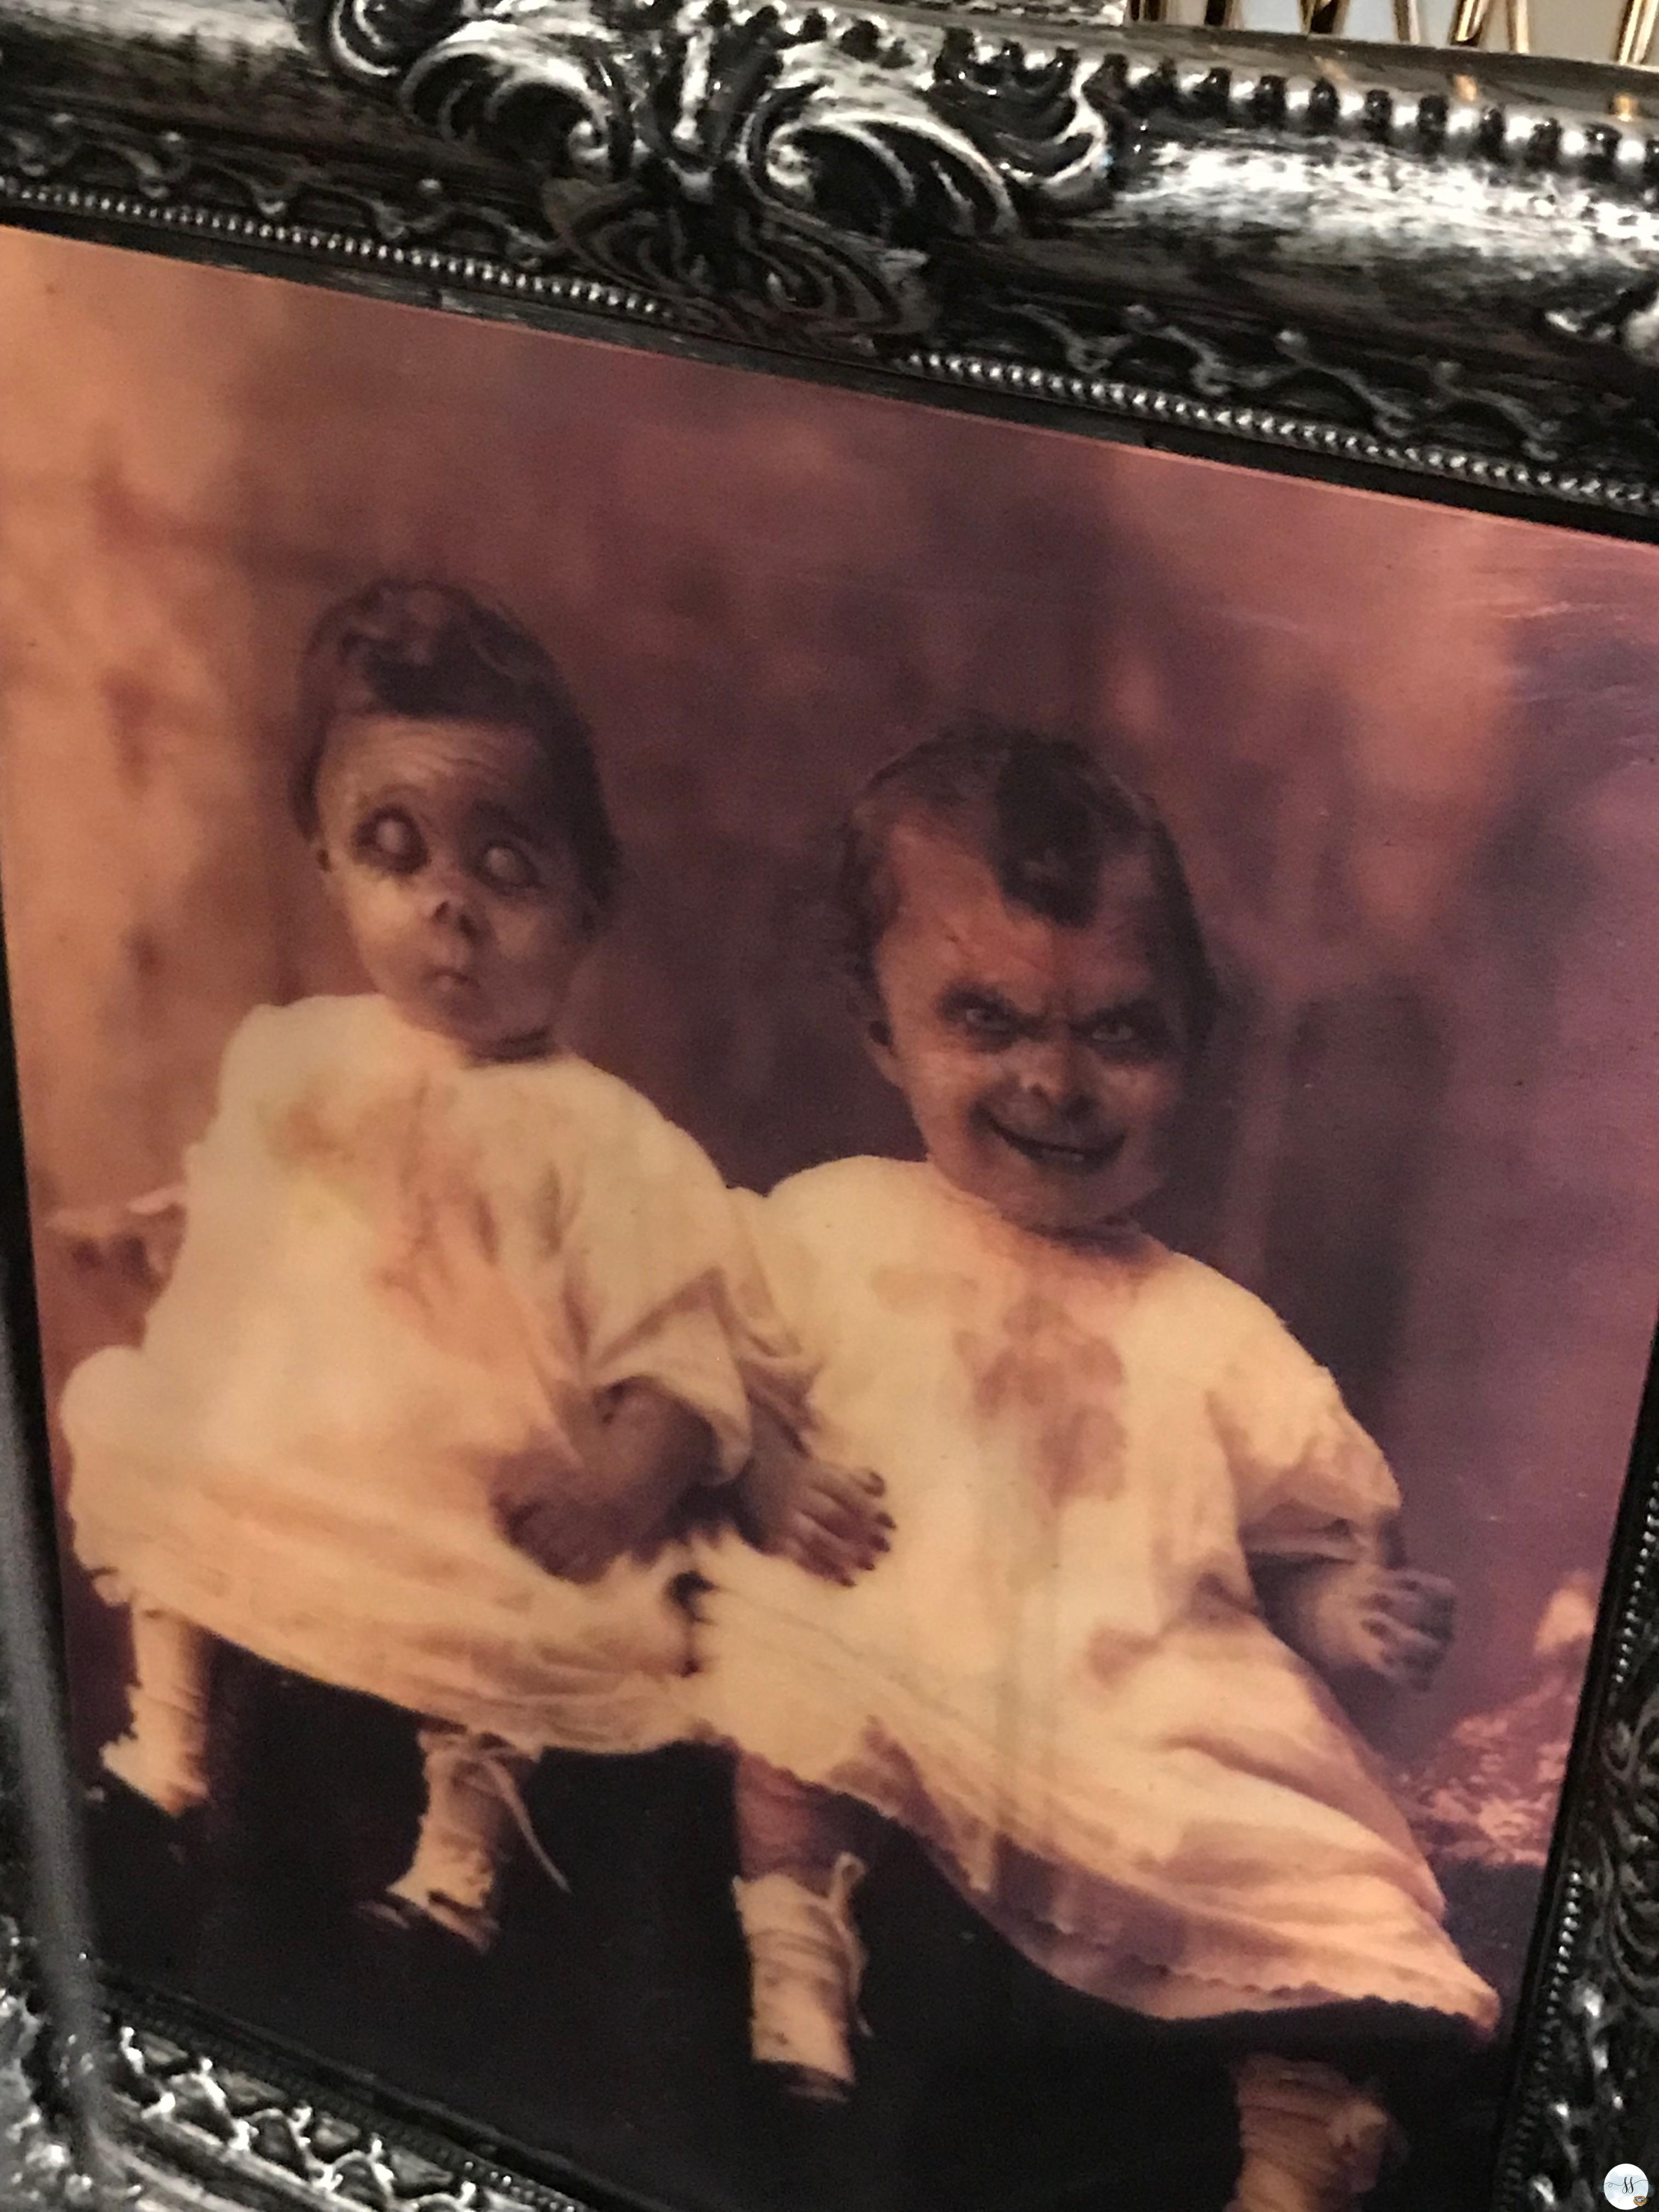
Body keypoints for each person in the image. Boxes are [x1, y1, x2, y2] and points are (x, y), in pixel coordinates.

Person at [692, 725, 1499, 2211]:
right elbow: (705, 1378)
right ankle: (798, 1939)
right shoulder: (831, 1229)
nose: (1055, 1082)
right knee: (786, 1678)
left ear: (1194, 1040)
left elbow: (1311, 1535)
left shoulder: (1213, 1332)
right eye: (985, 1021)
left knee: (1289, 1882)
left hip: (1130, 1686)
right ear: (879, 1030)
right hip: (900, 1632)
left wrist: (1339, 1617)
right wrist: (769, 1475)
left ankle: (1298, 2128)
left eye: (1117, 1033)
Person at [59, 579, 885, 1953]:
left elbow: (675, 1357)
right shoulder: (297, 1055)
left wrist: (618, 1489)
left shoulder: (602, 1137)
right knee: (157, 1452)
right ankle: (169, 1755)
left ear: (586, 902)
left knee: (504, 1618)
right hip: (304, 1437)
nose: (448, 907)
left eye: (504, 868)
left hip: (474, 1473)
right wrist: (167, 1234)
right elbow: (256, 1211)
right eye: (395, 851)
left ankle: (458, 1864)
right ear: (325, 860)